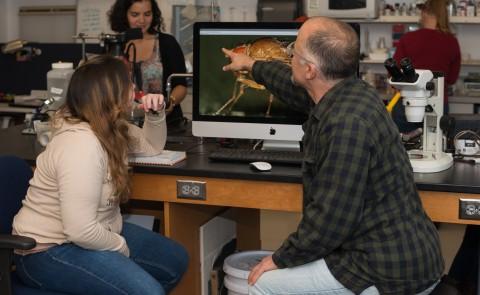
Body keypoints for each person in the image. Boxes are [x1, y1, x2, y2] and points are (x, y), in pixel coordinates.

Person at [222, 16, 444, 295]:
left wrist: (279, 259)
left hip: (385, 267)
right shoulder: (348, 91)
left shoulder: (345, 125)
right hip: (385, 249)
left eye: (294, 52)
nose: (289, 56)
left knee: (261, 283)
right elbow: (291, 86)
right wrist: (251, 65)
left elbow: (329, 222)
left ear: (311, 70)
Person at [12, 55, 188, 295]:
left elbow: (151, 146)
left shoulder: (111, 128)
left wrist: (155, 114)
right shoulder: (80, 145)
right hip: (47, 250)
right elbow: (80, 230)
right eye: (128, 83)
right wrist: (119, 246)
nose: (134, 88)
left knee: (175, 260)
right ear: (110, 95)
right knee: (149, 292)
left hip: (96, 231)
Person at [109, 0, 188, 129]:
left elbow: (181, 85)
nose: (142, 20)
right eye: (135, 14)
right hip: (123, 127)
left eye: (147, 14)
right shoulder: (115, 45)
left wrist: (170, 103)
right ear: (124, 15)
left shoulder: (167, 43)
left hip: (164, 124)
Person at [392, 0, 461, 132]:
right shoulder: (451, 41)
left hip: (407, 104)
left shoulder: (408, 39)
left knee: (402, 147)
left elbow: (394, 75)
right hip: (437, 104)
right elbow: (452, 79)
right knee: (435, 147)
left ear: (425, 13)